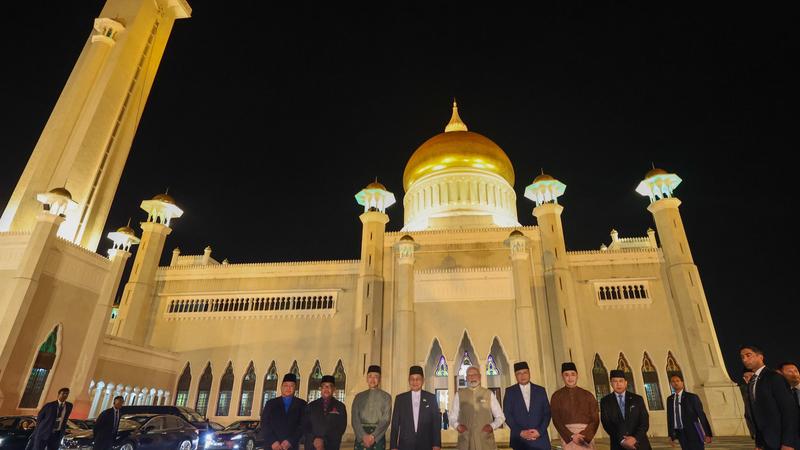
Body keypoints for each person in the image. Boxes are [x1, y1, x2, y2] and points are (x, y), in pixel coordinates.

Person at [740, 345, 798, 450]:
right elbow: (756, 414)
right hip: (765, 443)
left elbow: (789, 411)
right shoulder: (751, 383)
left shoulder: (774, 377)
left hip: (781, 441)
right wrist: (759, 443)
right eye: (742, 357)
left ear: (760, 357)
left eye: (748, 355)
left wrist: (788, 443)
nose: (745, 359)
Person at [451, 366, 505, 450]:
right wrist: (457, 426)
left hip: (485, 441)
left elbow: (500, 417)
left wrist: (492, 426)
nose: (472, 377)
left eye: (474, 374)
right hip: (466, 441)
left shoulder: (488, 394)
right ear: (466, 378)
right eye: (469, 375)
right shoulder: (459, 394)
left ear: (480, 376)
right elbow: (452, 417)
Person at [389, 366, 441, 450]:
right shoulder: (400, 399)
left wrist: (436, 444)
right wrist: (393, 446)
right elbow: (395, 425)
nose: (415, 381)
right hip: (405, 445)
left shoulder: (431, 398)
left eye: (418, 379)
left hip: (426, 444)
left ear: (423, 381)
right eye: (412, 379)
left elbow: (436, 424)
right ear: (408, 381)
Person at [550, 362, 599, 450]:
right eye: (566, 375)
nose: (570, 378)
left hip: (586, 437)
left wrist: (584, 436)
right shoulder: (556, 396)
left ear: (577, 375)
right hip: (568, 439)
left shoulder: (588, 395)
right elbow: (556, 420)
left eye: (573, 374)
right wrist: (571, 436)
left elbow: (595, 419)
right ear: (562, 377)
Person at [502, 361, 551, 450]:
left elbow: (547, 413)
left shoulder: (540, 390)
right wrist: (520, 432)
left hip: (540, 439)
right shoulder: (510, 392)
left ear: (529, 373)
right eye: (519, 373)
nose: (522, 375)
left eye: (525, 372)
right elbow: (507, 414)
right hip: (520, 440)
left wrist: (539, 431)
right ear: (515, 376)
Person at [599, 370, 650, 450]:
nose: (618, 384)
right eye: (615, 381)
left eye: (621, 381)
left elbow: (644, 422)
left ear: (626, 383)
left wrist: (635, 438)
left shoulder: (637, 399)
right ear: (611, 383)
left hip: (640, 443)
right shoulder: (605, 401)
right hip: (618, 444)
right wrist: (622, 441)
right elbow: (606, 423)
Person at [666, 374, 712, 450]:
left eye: (677, 381)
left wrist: (707, 434)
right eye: (673, 381)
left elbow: (701, 415)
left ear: (682, 383)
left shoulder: (692, 397)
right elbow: (670, 417)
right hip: (680, 433)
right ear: (671, 384)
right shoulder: (669, 399)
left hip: (694, 432)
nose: (675, 383)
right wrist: (671, 435)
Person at [262, 373, 307, 450]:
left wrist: (290, 441)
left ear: (295, 388)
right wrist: (273, 441)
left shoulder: (302, 404)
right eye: (286, 385)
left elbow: (303, 425)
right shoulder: (271, 403)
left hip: (291, 446)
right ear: (281, 387)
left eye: (291, 386)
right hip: (271, 446)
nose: (288, 388)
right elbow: (264, 423)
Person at [352, 365, 392, 450]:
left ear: (380, 379)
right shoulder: (358, 397)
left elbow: (386, 419)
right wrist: (363, 436)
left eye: (376, 376)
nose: (373, 379)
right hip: (361, 434)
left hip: (378, 436)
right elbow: (355, 419)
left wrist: (373, 436)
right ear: (367, 378)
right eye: (370, 376)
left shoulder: (386, 397)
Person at [304, 375, 348, 450]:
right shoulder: (311, 406)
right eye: (324, 386)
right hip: (312, 446)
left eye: (330, 386)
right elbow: (305, 425)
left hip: (331, 446)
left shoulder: (340, 407)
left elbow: (341, 428)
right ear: (320, 389)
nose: (327, 389)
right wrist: (314, 439)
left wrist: (324, 441)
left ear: (334, 389)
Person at [741, 368, 757, 439]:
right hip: (756, 430)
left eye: (750, 375)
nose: (748, 378)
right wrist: (752, 432)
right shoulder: (745, 391)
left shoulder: (765, 388)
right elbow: (747, 413)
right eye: (746, 377)